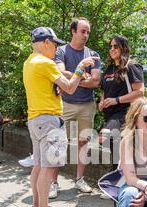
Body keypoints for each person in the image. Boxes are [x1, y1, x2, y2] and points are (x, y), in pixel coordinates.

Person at [23, 26, 98, 207]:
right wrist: (81, 67)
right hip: (49, 120)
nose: (56, 49)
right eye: (55, 44)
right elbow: (71, 87)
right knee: (48, 168)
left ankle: (37, 206)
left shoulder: (29, 62)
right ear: (46, 42)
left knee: (38, 166)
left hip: (35, 120)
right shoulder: (45, 63)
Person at [46, 17, 102, 197]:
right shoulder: (61, 51)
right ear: (73, 31)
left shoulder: (93, 54)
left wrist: (73, 79)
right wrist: (81, 76)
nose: (85, 35)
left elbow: (95, 82)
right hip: (65, 105)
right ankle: (53, 183)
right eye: (82, 31)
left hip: (87, 105)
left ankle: (79, 180)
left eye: (88, 32)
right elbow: (61, 72)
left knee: (83, 143)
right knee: (58, 143)